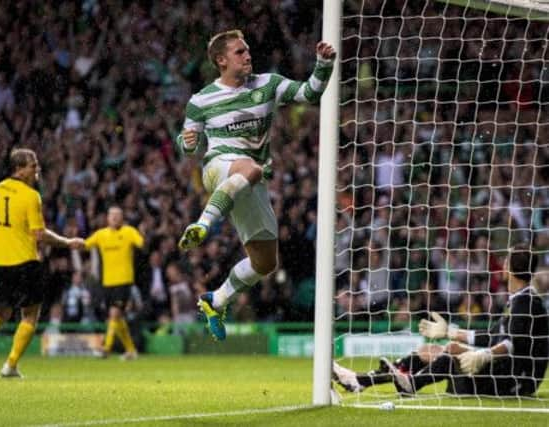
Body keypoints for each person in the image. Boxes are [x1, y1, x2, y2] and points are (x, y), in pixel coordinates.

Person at [176, 29, 336, 340]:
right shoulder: (201, 100)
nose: (248, 55)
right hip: (218, 168)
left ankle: (216, 300)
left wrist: (323, 64)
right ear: (221, 60)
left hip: (251, 180)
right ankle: (203, 224)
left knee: (265, 263)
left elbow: (310, 94)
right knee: (249, 167)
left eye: (248, 50)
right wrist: (186, 140)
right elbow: (187, 144)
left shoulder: (268, 84)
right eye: (239, 52)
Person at [333, 244, 549, 397]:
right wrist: (450, 332)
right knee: (429, 349)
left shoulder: (527, 303)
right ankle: (362, 381)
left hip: (514, 383)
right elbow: (491, 336)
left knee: (452, 350)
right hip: (502, 374)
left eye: (506, 260)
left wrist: (483, 354)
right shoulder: (519, 301)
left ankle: (411, 384)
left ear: (509, 268)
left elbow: (512, 344)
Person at [0, 148, 85, 379]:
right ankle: (10, 365)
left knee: (0, 314)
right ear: (19, 169)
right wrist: (68, 242)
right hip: (24, 262)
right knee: (30, 315)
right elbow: (39, 234)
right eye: (33, 165)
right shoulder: (31, 196)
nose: (37, 169)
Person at [83, 206, 144, 359]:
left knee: (114, 314)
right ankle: (131, 351)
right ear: (107, 218)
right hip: (107, 283)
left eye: (118, 215)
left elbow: (141, 244)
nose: (115, 218)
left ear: (122, 218)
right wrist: (69, 240)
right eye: (112, 215)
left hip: (124, 281)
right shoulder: (101, 235)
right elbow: (85, 245)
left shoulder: (129, 232)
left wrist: (143, 233)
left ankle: (106, 348)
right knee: (117, 318)